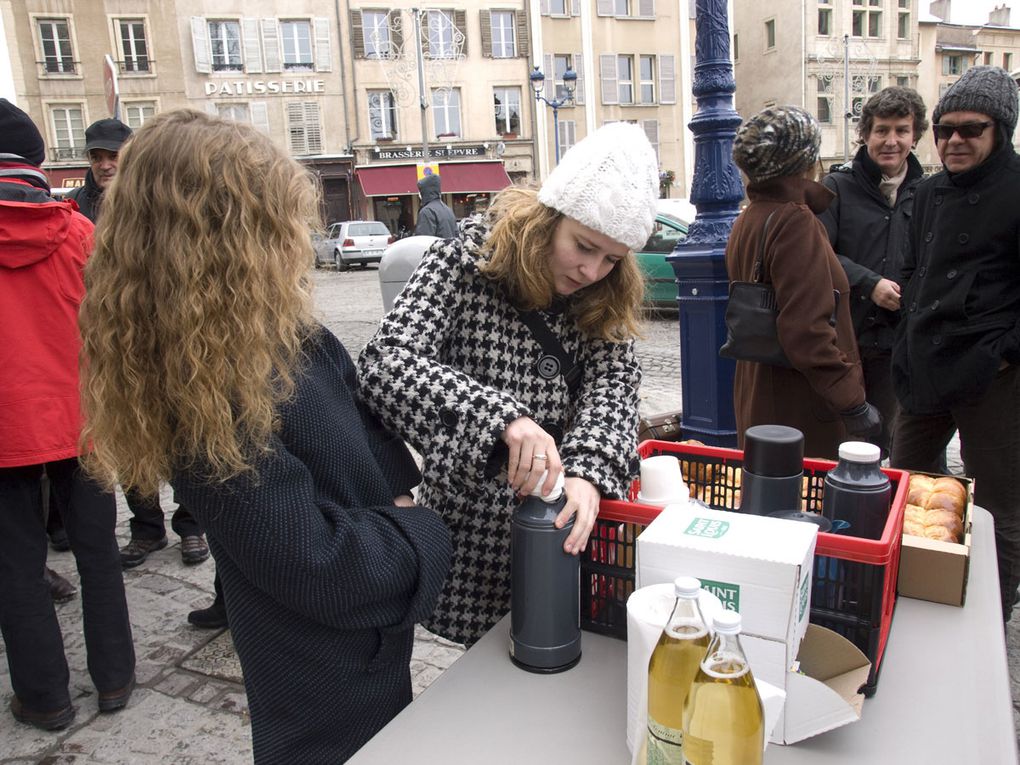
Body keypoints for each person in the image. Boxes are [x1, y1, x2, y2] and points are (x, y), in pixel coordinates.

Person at [78, 109, 452, 763]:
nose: (297, 243)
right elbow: (316, 561)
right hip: (310, 672)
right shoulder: (198, 398)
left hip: (373, 634)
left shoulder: (288, 331)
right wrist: (424, 532)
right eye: (277, 224)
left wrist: (398, 493)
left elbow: (365, 425)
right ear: (219, 242)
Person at [357, 121, 656, 646]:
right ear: (548, 220)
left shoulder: (605, 292)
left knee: (562, 654)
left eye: (612, 258)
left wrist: (587, 471)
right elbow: (384, 363)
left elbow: (615, 384)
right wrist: (499, 419)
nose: (592, 271)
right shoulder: (462, 262)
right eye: (583, 246)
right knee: (486, 676)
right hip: (471, 533)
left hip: (567, 530)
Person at [0, 99, 135, 731]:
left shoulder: (83, 226)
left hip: (6, 430)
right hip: (83, 419)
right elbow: (113, 331)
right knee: (98, 553)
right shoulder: (80, 233)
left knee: (16, 568)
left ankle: (45, 696)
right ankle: (114, 677)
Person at [890, 66, 1020, 621]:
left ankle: (991, 612)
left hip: (993, 375)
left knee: (998, 507)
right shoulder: (928, 192)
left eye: (972, 129)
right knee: (906, 482)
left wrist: (1004, 353)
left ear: (1001, 131)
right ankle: (918, 586)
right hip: (926, 366)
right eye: (944, 129)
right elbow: (917, 271)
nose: (954, 141)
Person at [69, 117, 211, 571]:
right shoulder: (76, 209)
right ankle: (147, 527)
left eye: (113, 156)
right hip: (115, 337)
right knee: (134, 437)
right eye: (97, 157)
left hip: (171, 336)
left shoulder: (161, 198)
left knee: (189, 438)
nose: (105, 165)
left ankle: (192, 526)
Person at [726, 105, 881, 459]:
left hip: (764, 396)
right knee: (805, 507)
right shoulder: (794, 221)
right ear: (803, 161)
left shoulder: (751, 218)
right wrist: (853, 403)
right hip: (800, 406)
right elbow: (806, 330)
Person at [818, 87, 928, 456]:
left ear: (915, 136)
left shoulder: (927, 193)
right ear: (865, 134)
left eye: (901, 130)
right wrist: (870, 283)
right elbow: (820, 254)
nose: (891, 141)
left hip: (898, 345)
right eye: (881, 130)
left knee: (889, 443)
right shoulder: (837, 188)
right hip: (845, 339)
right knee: (842, 442)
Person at [413, 172, 457, 238]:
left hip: (436, 248)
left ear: (425, 192)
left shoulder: (427, 212)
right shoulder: (448, 210)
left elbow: (423, 240)